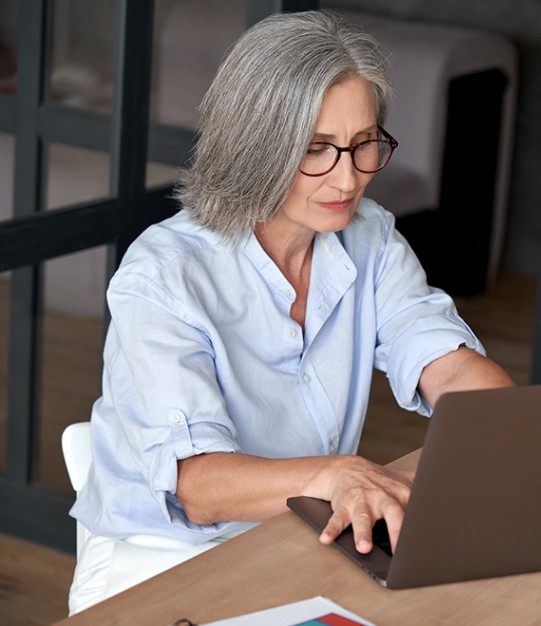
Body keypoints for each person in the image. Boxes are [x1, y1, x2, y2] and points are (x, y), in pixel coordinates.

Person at [68, 10, 514, 613]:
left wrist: (503, 430)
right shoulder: (164, 276)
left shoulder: (370, 238)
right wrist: (337, 474)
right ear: (256, 147)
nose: (348, 179)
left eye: (364, 145)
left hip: (300, 534)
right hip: (165, 558)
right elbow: (199, 487)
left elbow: (447, 362)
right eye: (316, 150)